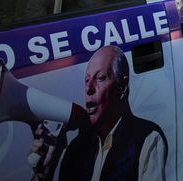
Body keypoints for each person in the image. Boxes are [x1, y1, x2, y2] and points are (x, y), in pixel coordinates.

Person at [29, 45, 168, 181]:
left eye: (100, 78)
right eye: (87, 80)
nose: (88, 89)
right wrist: (44, 175)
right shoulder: (75, 149)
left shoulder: (147, 139)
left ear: (123, 88)